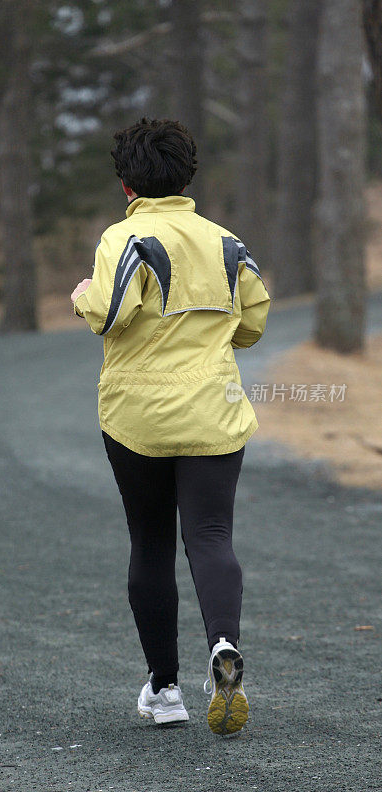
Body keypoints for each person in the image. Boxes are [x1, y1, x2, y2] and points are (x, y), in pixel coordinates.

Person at [70, 116, 271, 735]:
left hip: (137, 418)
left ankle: (164, 689)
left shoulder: (123, 240)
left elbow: (109, 314)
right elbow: (252, 324)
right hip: (214, 411)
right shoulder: (227, 242)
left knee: (151, 544)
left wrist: (82, 292)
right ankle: (223, 649)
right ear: (188, 177)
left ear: (127, 185)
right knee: (211, 537)